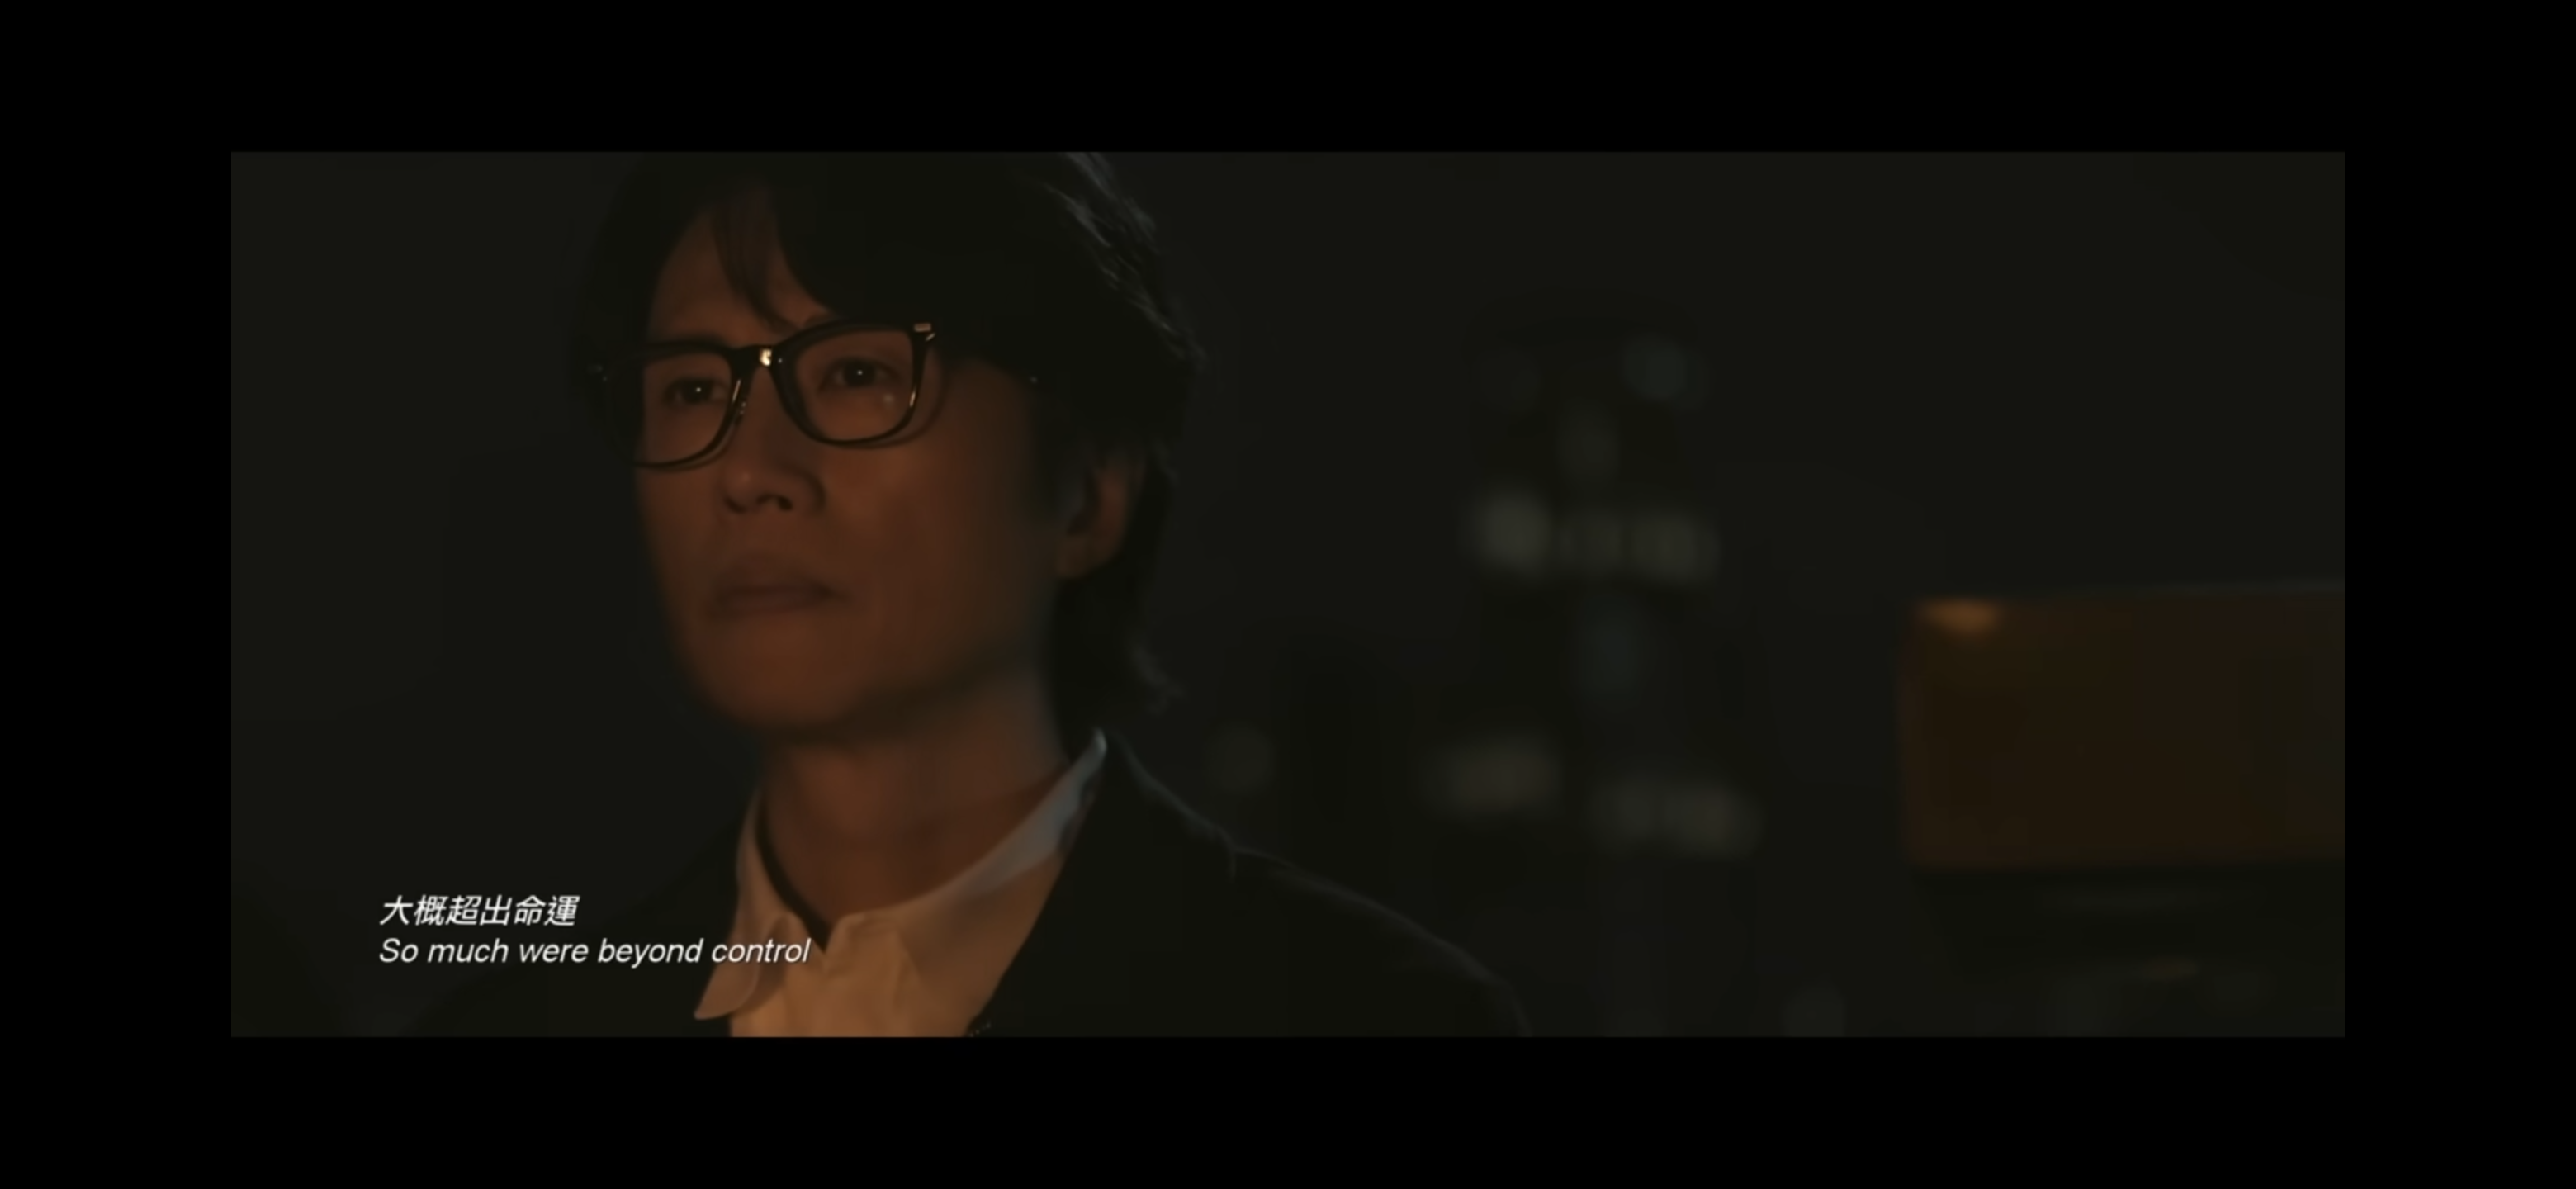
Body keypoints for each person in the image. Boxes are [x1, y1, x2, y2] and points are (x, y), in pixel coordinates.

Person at [412, 153, 1525, 1035]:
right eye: (694, 389)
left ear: (1088, 493)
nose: (749, 471)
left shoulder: (1363, 1012)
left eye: (858, 373)